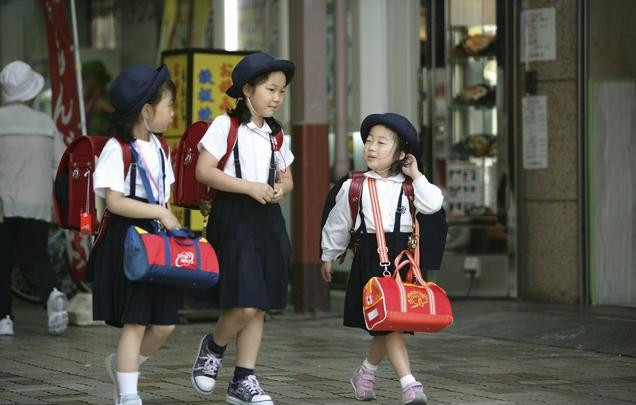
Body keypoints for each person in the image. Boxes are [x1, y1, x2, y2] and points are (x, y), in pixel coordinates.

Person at [190, 52, 295, 405]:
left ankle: (243, 380)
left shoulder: (277, 135)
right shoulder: (225, 126)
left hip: (268, 220)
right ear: (247, 89)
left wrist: (283, 188)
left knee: (260, 302)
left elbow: (288, 177)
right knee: (246, 301)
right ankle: (214, 345)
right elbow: (204, 171)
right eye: (270, 89)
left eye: (281, 91)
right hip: (234, 216)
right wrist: (248, 187)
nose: (277, 97)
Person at [320, 113, 444, 405]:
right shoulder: (356, 185)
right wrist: (329, 253)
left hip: (402, 260)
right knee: (390, 324)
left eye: (381, 142)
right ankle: (409, 384)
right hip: (371, 261)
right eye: (369, 141)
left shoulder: (411, 187)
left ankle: (365, 373)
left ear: (401, 154)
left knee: (390, 323)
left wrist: (416, 175)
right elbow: (338, 222)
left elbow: (434, 204)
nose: (371, 147)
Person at [87, 64, 181, 405]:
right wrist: (159, 213)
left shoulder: (161, 148)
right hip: (128, 241)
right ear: (146, 110)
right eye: (169, 104)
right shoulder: (118, 149)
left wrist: (163, 215)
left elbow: (163, 195)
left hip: (157, 241)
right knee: (136, 321)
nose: (172, 112)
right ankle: (128, 394)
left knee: (165, 325)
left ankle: (123, 366)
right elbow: (113, 201)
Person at [0, 60, 69, 336]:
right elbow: (61, 164)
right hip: (37, 204)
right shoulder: (45, 124)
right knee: (34, 258)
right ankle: (51, 293)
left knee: (2, 263)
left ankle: (4, 319)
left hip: (3, 205)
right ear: (30, 94)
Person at [82, 59, 114, 135]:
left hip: (105, 142)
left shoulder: (111, 97)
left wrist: (107, 109)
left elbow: (125, 119)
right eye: (84, 78)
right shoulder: (84, 99)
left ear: (97, 77)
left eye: (88, 77)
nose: (85, 81)